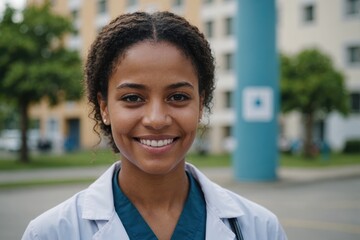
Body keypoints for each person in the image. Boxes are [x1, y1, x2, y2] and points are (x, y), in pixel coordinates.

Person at [22, 11, 287, 240]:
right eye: (133, 98)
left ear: (200, 104)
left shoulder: (259, 229)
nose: (157, 119)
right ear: (104, 108)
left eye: (178, 97)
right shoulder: (50, 233)